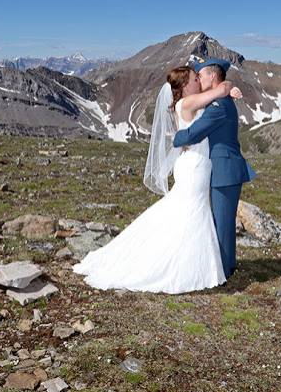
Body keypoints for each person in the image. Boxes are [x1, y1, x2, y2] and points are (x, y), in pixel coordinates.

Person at [73, 65, 242, 294]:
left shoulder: (191, 100)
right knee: (191, 211)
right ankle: (183, 265)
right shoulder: (188, 102)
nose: (197, 81)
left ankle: (192, 262)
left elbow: (219, 91)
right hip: (194, 167)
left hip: (196, 164)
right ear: (184, 86)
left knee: (186, 213)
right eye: (194, 78)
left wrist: (229, 87)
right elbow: (219, 92)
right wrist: (227, 88)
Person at [173, 58, 256, 279]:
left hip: (225, 171)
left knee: (223, 223)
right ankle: (225, 267)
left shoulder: (218, 107)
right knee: (220, 222)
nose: (198, 80)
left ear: (212, 76)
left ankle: (225, 271)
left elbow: (193, 134)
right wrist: (227, 88)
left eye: (200, 76)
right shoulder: (217, 100)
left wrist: (175, 138)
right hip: (220, 170)